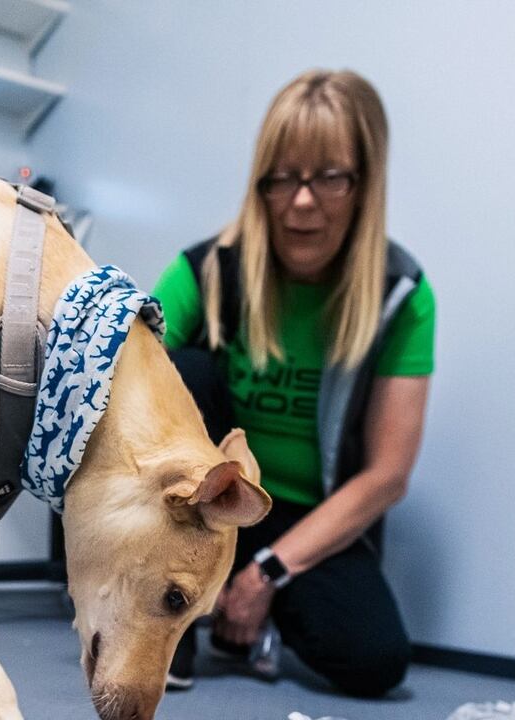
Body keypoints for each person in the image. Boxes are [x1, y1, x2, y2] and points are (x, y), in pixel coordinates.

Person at [154, 69, 435, 698]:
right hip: (208, 502)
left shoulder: (402, 295)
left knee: (375, 661)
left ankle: (254, 609)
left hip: (307, 519)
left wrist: (265, 575)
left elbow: (387, 475)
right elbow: (120, 373)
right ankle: (168, 621)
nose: (301, 202)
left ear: (365, 185)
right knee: (177, 367)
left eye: (329, 177)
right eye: (282, 178)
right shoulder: (206, 268)